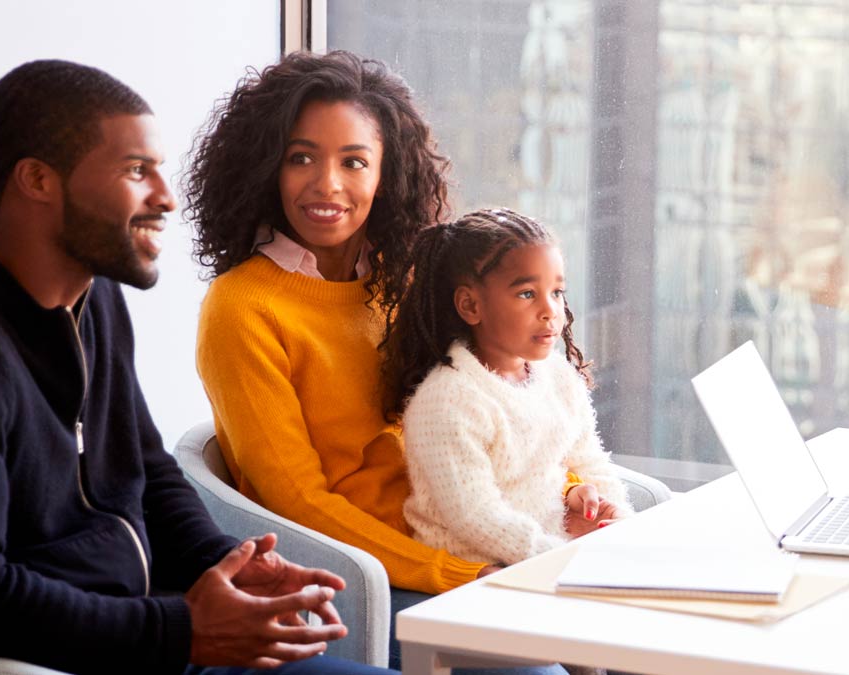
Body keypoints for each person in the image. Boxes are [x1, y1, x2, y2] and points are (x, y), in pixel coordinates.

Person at [0, 60, 384, 675]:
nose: (165, 197)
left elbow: (147, 472)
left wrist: (228, 564)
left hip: (141, 640)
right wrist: (181, 631)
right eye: (137, 172)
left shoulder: (92, 296)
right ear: (37, 180)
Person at [185, 51, 569, 674]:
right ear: (266, 169)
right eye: (300, 157)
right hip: (373, 578)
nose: (326, 185)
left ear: (387, 174)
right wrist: (454, 572)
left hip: (470, 528)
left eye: (354, 162)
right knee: (541, 667)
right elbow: (298, 502)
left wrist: (571, 497)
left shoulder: (406, 278)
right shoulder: (242, 309)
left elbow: (495, 408)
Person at [380, 209, 629, 568]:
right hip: (481, 575)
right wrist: (561, 559)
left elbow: (590, 461)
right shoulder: (447, 402)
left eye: (557, 292)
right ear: (470, 305)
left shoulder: (557, 376)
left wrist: (616, 521)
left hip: (546, 558)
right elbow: (475, 516)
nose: (550, 310)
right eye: (527, 294)